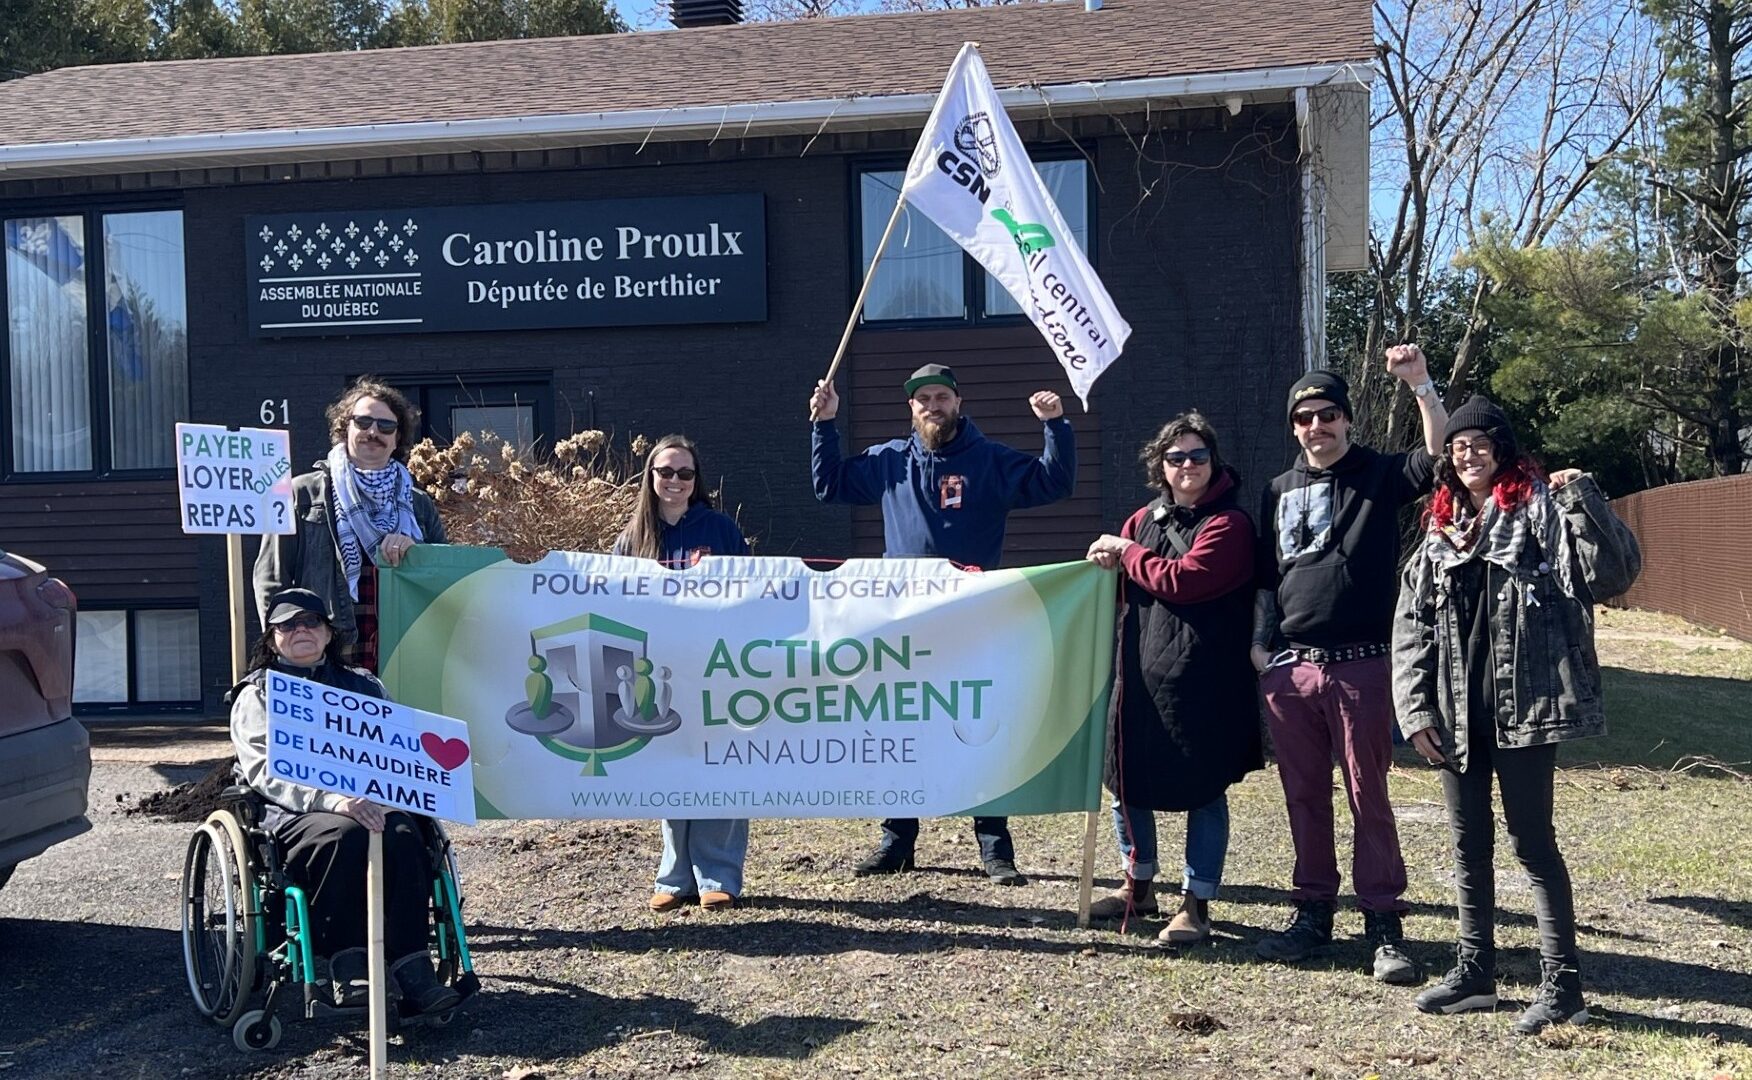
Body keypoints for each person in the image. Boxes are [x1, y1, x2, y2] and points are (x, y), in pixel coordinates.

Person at [1393, 397, 1639, 1034]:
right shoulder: (1439, 528)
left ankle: (1564, 986)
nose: (1466, 455)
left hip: (1523, 706)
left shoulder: (1541, 509)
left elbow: (1608, 574)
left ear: (1502, 450)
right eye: (1457, 447)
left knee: (1532, 844)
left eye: (1478, 444)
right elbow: (1412, 624)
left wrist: (1583, 496)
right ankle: (1475, 972)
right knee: (1466, 844)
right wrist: (1416, 709)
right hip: (1455, 709)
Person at [810, 363, 1076, 886]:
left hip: (974, 619)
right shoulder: (889, 461)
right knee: (900, 726)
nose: (932, 406)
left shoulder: (991, 460)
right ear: (910, 408)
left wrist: (1055, 426)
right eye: (922, 399)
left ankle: (995, 848)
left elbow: (1053, 482)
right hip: (903, 619)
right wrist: (824, 424)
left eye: (941, 397)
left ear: (959, 402)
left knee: (979, 725)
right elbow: (829, 485)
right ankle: (897, 841)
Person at [1250, 346, 1447, 984]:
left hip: (1363, 667)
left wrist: (1419, 384)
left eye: (1328, 414)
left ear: (1347, 419)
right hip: (1292, 672)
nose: (1317, 426)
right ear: (1293, 426)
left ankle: (1384, 925)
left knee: (1370, 796)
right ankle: (1313, 913)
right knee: (1304, 795)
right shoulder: (1278, 490)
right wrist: (1263, 652)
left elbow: (1439, 457)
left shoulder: (1379, 475)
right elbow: (1263, 579)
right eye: (1305, 417)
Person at [229, 587, 461, 1017]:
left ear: (328, 632)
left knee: (406, 833)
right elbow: (264, 769)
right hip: (297, 814)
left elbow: (398, 750)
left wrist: (405, 791)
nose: (301, 630)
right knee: (345, 833)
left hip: (373, 801)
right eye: (288, 624)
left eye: (311, 622)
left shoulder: (364, 685)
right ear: (272, 636)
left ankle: (412, 967)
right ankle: (347, 963)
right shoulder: (258, 694)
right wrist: (330, 799)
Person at [1084, 412, 1261, 944]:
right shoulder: (1144, 519)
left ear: (1214, 461)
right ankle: (1137, 887)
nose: (1187, 466)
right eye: (1176, 457)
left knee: (1203, 791)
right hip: (1137, 674)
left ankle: (1196, 903)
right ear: (1160, 465)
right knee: (1127, 780)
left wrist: (1126, 553)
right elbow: (1126, 586)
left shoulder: (1230, 524)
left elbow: (1184, 580)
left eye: (1198, 456)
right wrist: (1103, 563)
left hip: (1205, 680)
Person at [611, 434, 752, 913]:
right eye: (665, 472)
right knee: (672, 767)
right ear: (650, 478)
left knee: (721, 764)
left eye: (684, 473)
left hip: (716, 667)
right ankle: (674, 877)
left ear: (697, 481)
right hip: (657, 673)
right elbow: (612, 607)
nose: (674, 481)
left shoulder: (721, 530)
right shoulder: (631, 539)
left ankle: (718, 874)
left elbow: (750, 596)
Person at [254, 378, 445, 668]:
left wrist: (416, 551)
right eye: (363, 422)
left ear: (397, 439)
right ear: (345, 429)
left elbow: (444, 579)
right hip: (326, 656)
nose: (373, 432)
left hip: (402, 653)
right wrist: (285, 649)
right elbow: (271, 578)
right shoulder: (302, 493)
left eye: (386, 426)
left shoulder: (418, 504)